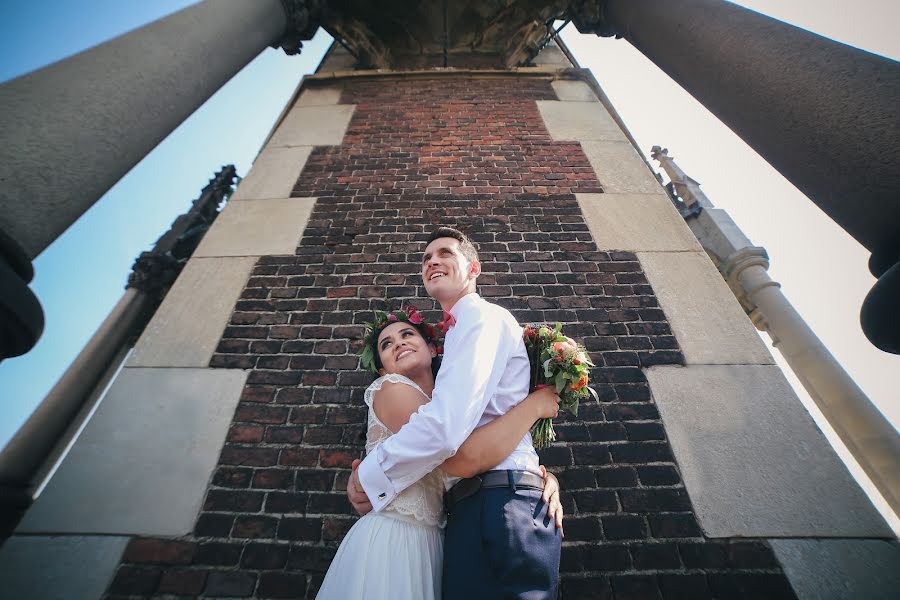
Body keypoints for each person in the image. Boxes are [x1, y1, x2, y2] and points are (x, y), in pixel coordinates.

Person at [347, 227, 563, 599]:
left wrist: (370, 474)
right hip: (467, 510)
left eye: (445, 253)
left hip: (497, 503)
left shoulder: (479, 319)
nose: (432, 261)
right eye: (426, 258)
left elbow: (450, 437)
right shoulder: (450, 346)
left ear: (474, 268)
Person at [316, 308, 562, 599]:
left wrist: (537, 476)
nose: (398, 343)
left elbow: (482, 448)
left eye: (407, 334)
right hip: (396, 540)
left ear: (432, 348)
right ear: (382, 369)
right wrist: (534, 406)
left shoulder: (455, 409)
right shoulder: (392, 388)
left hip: (438, 541)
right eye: (386, 344)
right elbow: (460, 458)